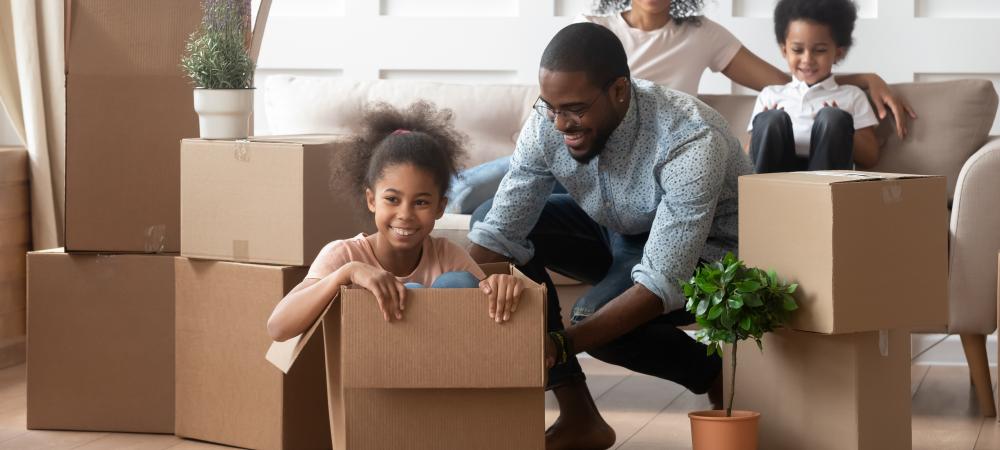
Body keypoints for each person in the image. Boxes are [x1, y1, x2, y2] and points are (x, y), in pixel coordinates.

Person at [468, 23, 751, 450]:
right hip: (619, 231)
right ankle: (581, 417)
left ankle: (714, 374)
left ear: (619, 90)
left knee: (593, 321)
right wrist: (444, 300)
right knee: (489, 216)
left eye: (576, 109)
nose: (561, 124)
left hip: (705, 254)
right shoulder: (550, 122)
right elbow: (500, 232)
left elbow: (661, 283)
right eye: (551, 107)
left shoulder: (690, 138)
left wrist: (558, 346)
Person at [445, 0, 914, 213]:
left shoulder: (702, 34)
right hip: (585, 144)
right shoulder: (597, 25)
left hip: (646, 157)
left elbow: (790, 83)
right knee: (469, 193)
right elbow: (559, 99)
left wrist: (859, 80)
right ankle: (426, 196)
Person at [267, 101, 524, 342]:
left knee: (456, 283)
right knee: (412, 290)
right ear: (371, 200)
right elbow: (277, 328)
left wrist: (498, 286)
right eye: (392, 199)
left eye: (421, 202)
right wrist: (346, 274)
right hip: (375, 378)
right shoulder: (344, 256)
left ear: (440, 207)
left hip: (444, 368)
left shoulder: (447, 256)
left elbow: (488, 302)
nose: (405, 214)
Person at [747, 0, 879, 173]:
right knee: (770, 119)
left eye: (820, 50)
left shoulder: (852, 95)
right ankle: (764, 197)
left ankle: (821, 198)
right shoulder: (770, 95)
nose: (807, 59)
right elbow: (747, 156)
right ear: (784, 50)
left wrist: (842, 126)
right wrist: (763, 130)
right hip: (776, 184)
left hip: (824, 185)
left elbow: (870, 157)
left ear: (838, 52)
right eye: (797, 50)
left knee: (832, 118)